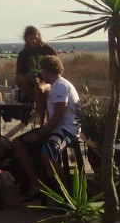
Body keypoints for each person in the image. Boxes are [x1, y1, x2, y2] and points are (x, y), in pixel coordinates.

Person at [11, 55, 81, 201]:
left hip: (67, 129)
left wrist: (40, 133)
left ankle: (66, 195)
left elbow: (59, 116)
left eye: (42, 71)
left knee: (46, 154)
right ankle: (35, 184)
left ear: (47, 71)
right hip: (56, 127)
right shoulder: (55, 86)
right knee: (18, 143)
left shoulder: (60, 86)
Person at [16, 26, 57, 117]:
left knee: (38, 88)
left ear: (39, 37)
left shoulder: (48, 50)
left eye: (35, 37)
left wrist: (42, 76)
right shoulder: (23, 54)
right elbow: (20, 71)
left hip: (47, 79)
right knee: (19, 78)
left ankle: (42, 116)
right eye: (31, 38)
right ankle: (37, 102)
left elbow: (56, 67)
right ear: (26, 39)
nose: (34, 40)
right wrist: (28, 75)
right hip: (31, 80)